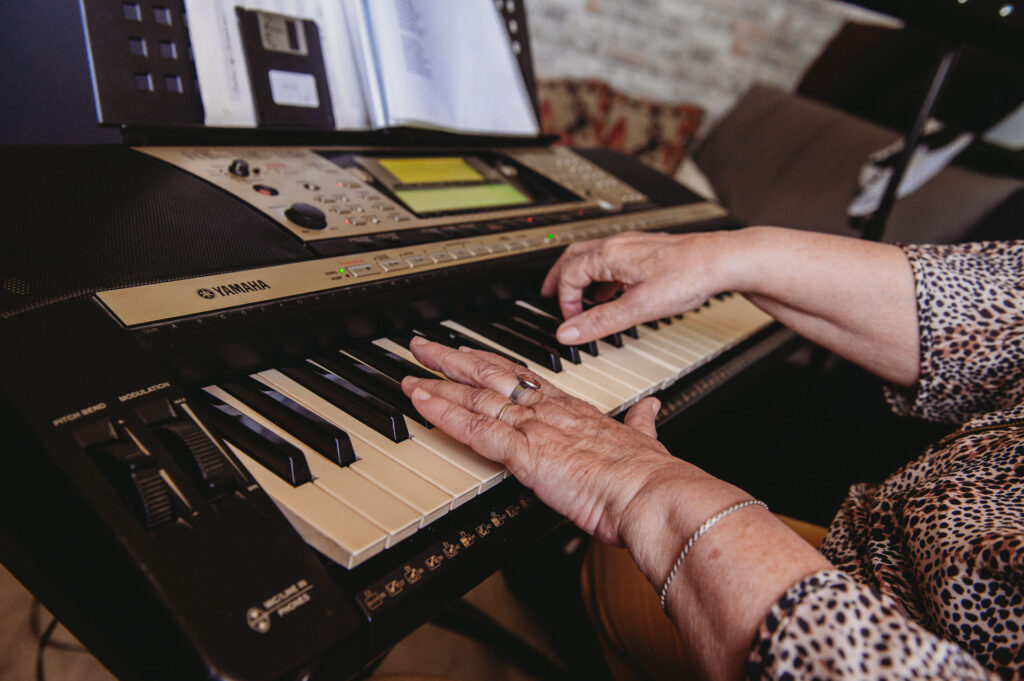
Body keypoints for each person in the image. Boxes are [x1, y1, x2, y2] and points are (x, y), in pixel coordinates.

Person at [391, 226, 1023, 681]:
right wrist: (726, 254)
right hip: (875, 553)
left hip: (872, 626)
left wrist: (648, 490)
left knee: (610, 573)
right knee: (610, 567)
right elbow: (984, 314)